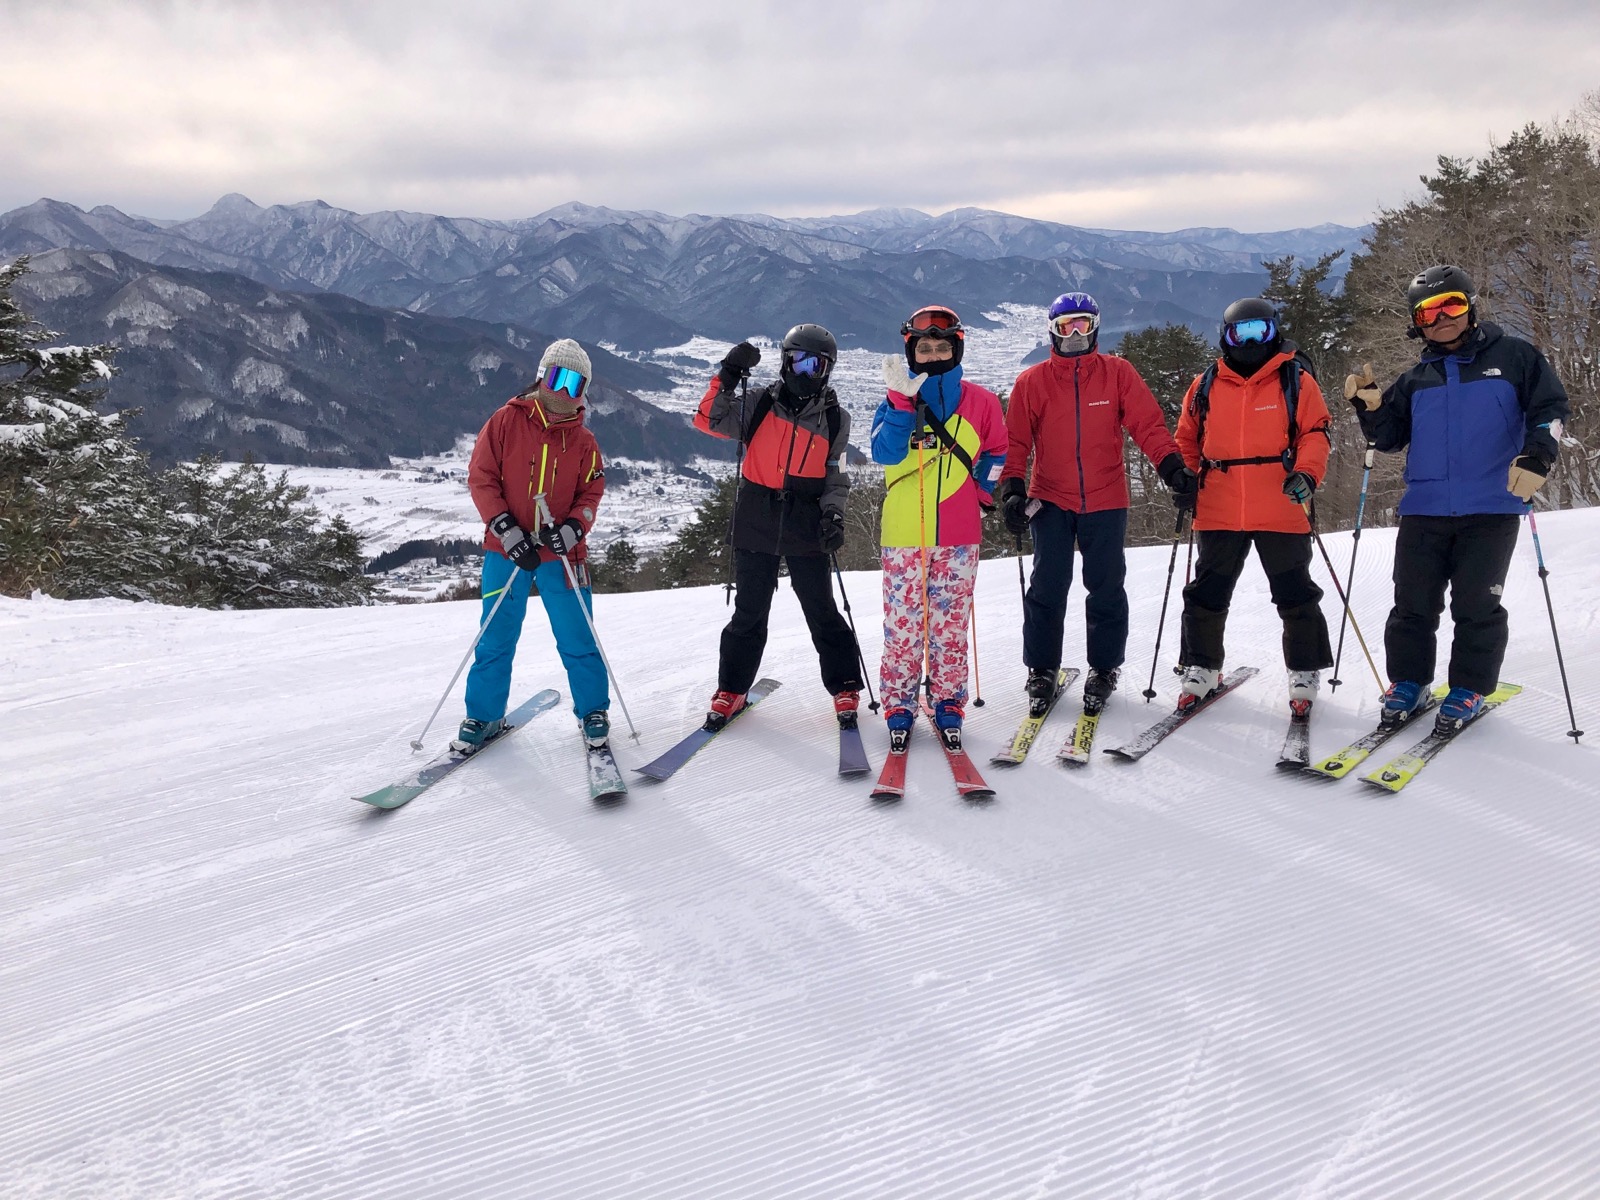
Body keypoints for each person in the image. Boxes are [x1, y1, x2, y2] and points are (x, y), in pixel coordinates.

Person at [1347, 264, 1569, 728]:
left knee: (1476, 605)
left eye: (1453, 304)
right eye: (1430, 311)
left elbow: (1549, 411)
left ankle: (1468, 687)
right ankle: (1409, 681)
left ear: (1470, 306)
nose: (1443, 317)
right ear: (1417, 322)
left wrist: (1538, 456)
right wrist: (1370, 407)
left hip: (1492, 505)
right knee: (1412, 604)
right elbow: (1388, 438)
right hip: (1425, 508)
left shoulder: (1515, 358)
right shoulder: (1416, 378)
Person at [995, 291, 1195, 717]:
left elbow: (1148, 426)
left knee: (1105, 586)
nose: (1075, 333)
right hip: (1049, 499)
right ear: (1052, 329)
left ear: (1096, 326)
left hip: (1106, 498)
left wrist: (1173, 468)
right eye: (1066, 325)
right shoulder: (1032, 382)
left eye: (1083, 324)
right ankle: (1041, 668)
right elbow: (1015, 442)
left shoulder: (1118, 373)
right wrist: (1012, 488)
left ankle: (1104, 667)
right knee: (1048, 587)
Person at [694, 324, 864, 729]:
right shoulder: (758, 404)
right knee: (749, 611)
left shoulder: (836, 420)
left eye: (817, 365)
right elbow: (708, 420)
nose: (807, 372)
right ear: (786, 361)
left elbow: (835, 476)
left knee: (821, 607)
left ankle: (844, 685)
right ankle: (731, 689)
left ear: (828, 369)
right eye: (800, 361)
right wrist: (728, 375)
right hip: (757, 510)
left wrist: (833, 514)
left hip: (806, 516)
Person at [1174, 297, 1334, 713]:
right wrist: (1186, 477)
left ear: (1274, 331)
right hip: (1219, 504)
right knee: (1207, 591)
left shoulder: (1295, 379)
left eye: (1258, 331)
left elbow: (1315, 433)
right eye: (1239, 332)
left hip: (1280, 502)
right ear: (1224, 337)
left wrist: (1307, 473)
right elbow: (1187, 438)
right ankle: (1201, 666)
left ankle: (1304, 668)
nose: (1249, 341)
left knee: (1294, 592)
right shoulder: (1206, 382)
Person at [460, 338, 610, 750]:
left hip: (561, 555)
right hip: (506, 549)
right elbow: (482, 477)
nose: (563, 392)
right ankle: (484, 715)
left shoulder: (584, 442)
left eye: (575, 385)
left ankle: (593, 708)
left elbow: (591, 493)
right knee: (495, 634)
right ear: (542, 376)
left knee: (577, 634)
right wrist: (506, 529)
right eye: (558, 378)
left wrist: (574, 528)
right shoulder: (506, 422)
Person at [870, 305, 1008, 750]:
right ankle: (899, 702)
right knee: (904, 625)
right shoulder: (894, 400)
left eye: (941, 346)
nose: (932, 355)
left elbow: (997, 454)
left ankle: (948, 699)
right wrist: (898, 404)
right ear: (911, 351)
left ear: (957, 347)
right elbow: (885, 455)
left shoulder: (981, 402)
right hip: (903, 534)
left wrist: (982, 496)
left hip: (959, 533)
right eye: (923, 348)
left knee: (949, 625)